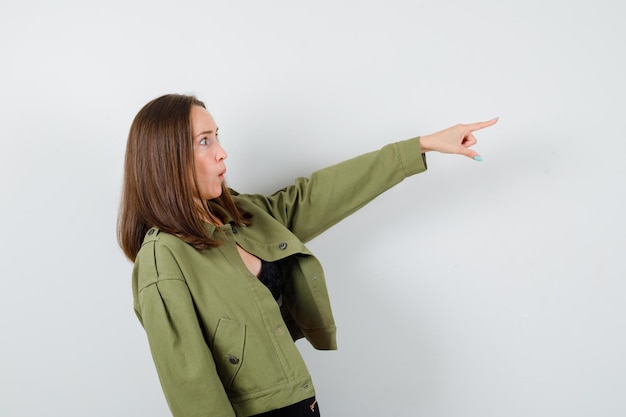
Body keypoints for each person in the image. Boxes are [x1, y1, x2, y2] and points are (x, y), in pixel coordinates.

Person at [117, 93, 498, 417]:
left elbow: (318, 194)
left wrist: (420, 146)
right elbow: (191, 386)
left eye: (217, 137)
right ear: (167, 158)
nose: (222, 153)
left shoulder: (241, 216)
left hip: (304, 404)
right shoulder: (163, 257)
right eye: (204, 141)